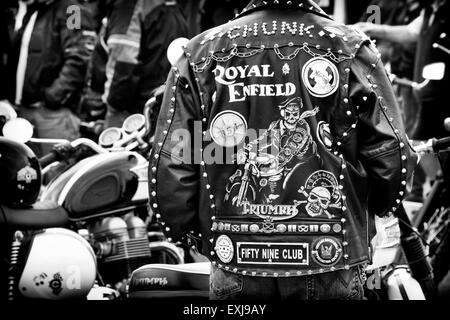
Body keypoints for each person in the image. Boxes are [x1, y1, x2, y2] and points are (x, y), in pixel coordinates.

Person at [149, 0, 417, 300]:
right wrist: (375, 211)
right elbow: (392, 152)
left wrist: (190, 231)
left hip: (234, 254)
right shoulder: (349, 46)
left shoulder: (200, 52)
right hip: (329, 252)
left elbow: (175, 159)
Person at [5, 0, 96, 156]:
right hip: (23, 111)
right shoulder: (34, 11)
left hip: (52, 114)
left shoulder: (71, 9)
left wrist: (53, 96)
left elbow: (79, 56)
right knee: (30, 171)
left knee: (57, 171)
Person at [98, 0, 189, 129]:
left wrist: (113, 107)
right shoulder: (172, 5)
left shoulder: (129, 7)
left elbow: (123, 64)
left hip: (135, 113)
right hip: (168, 102)